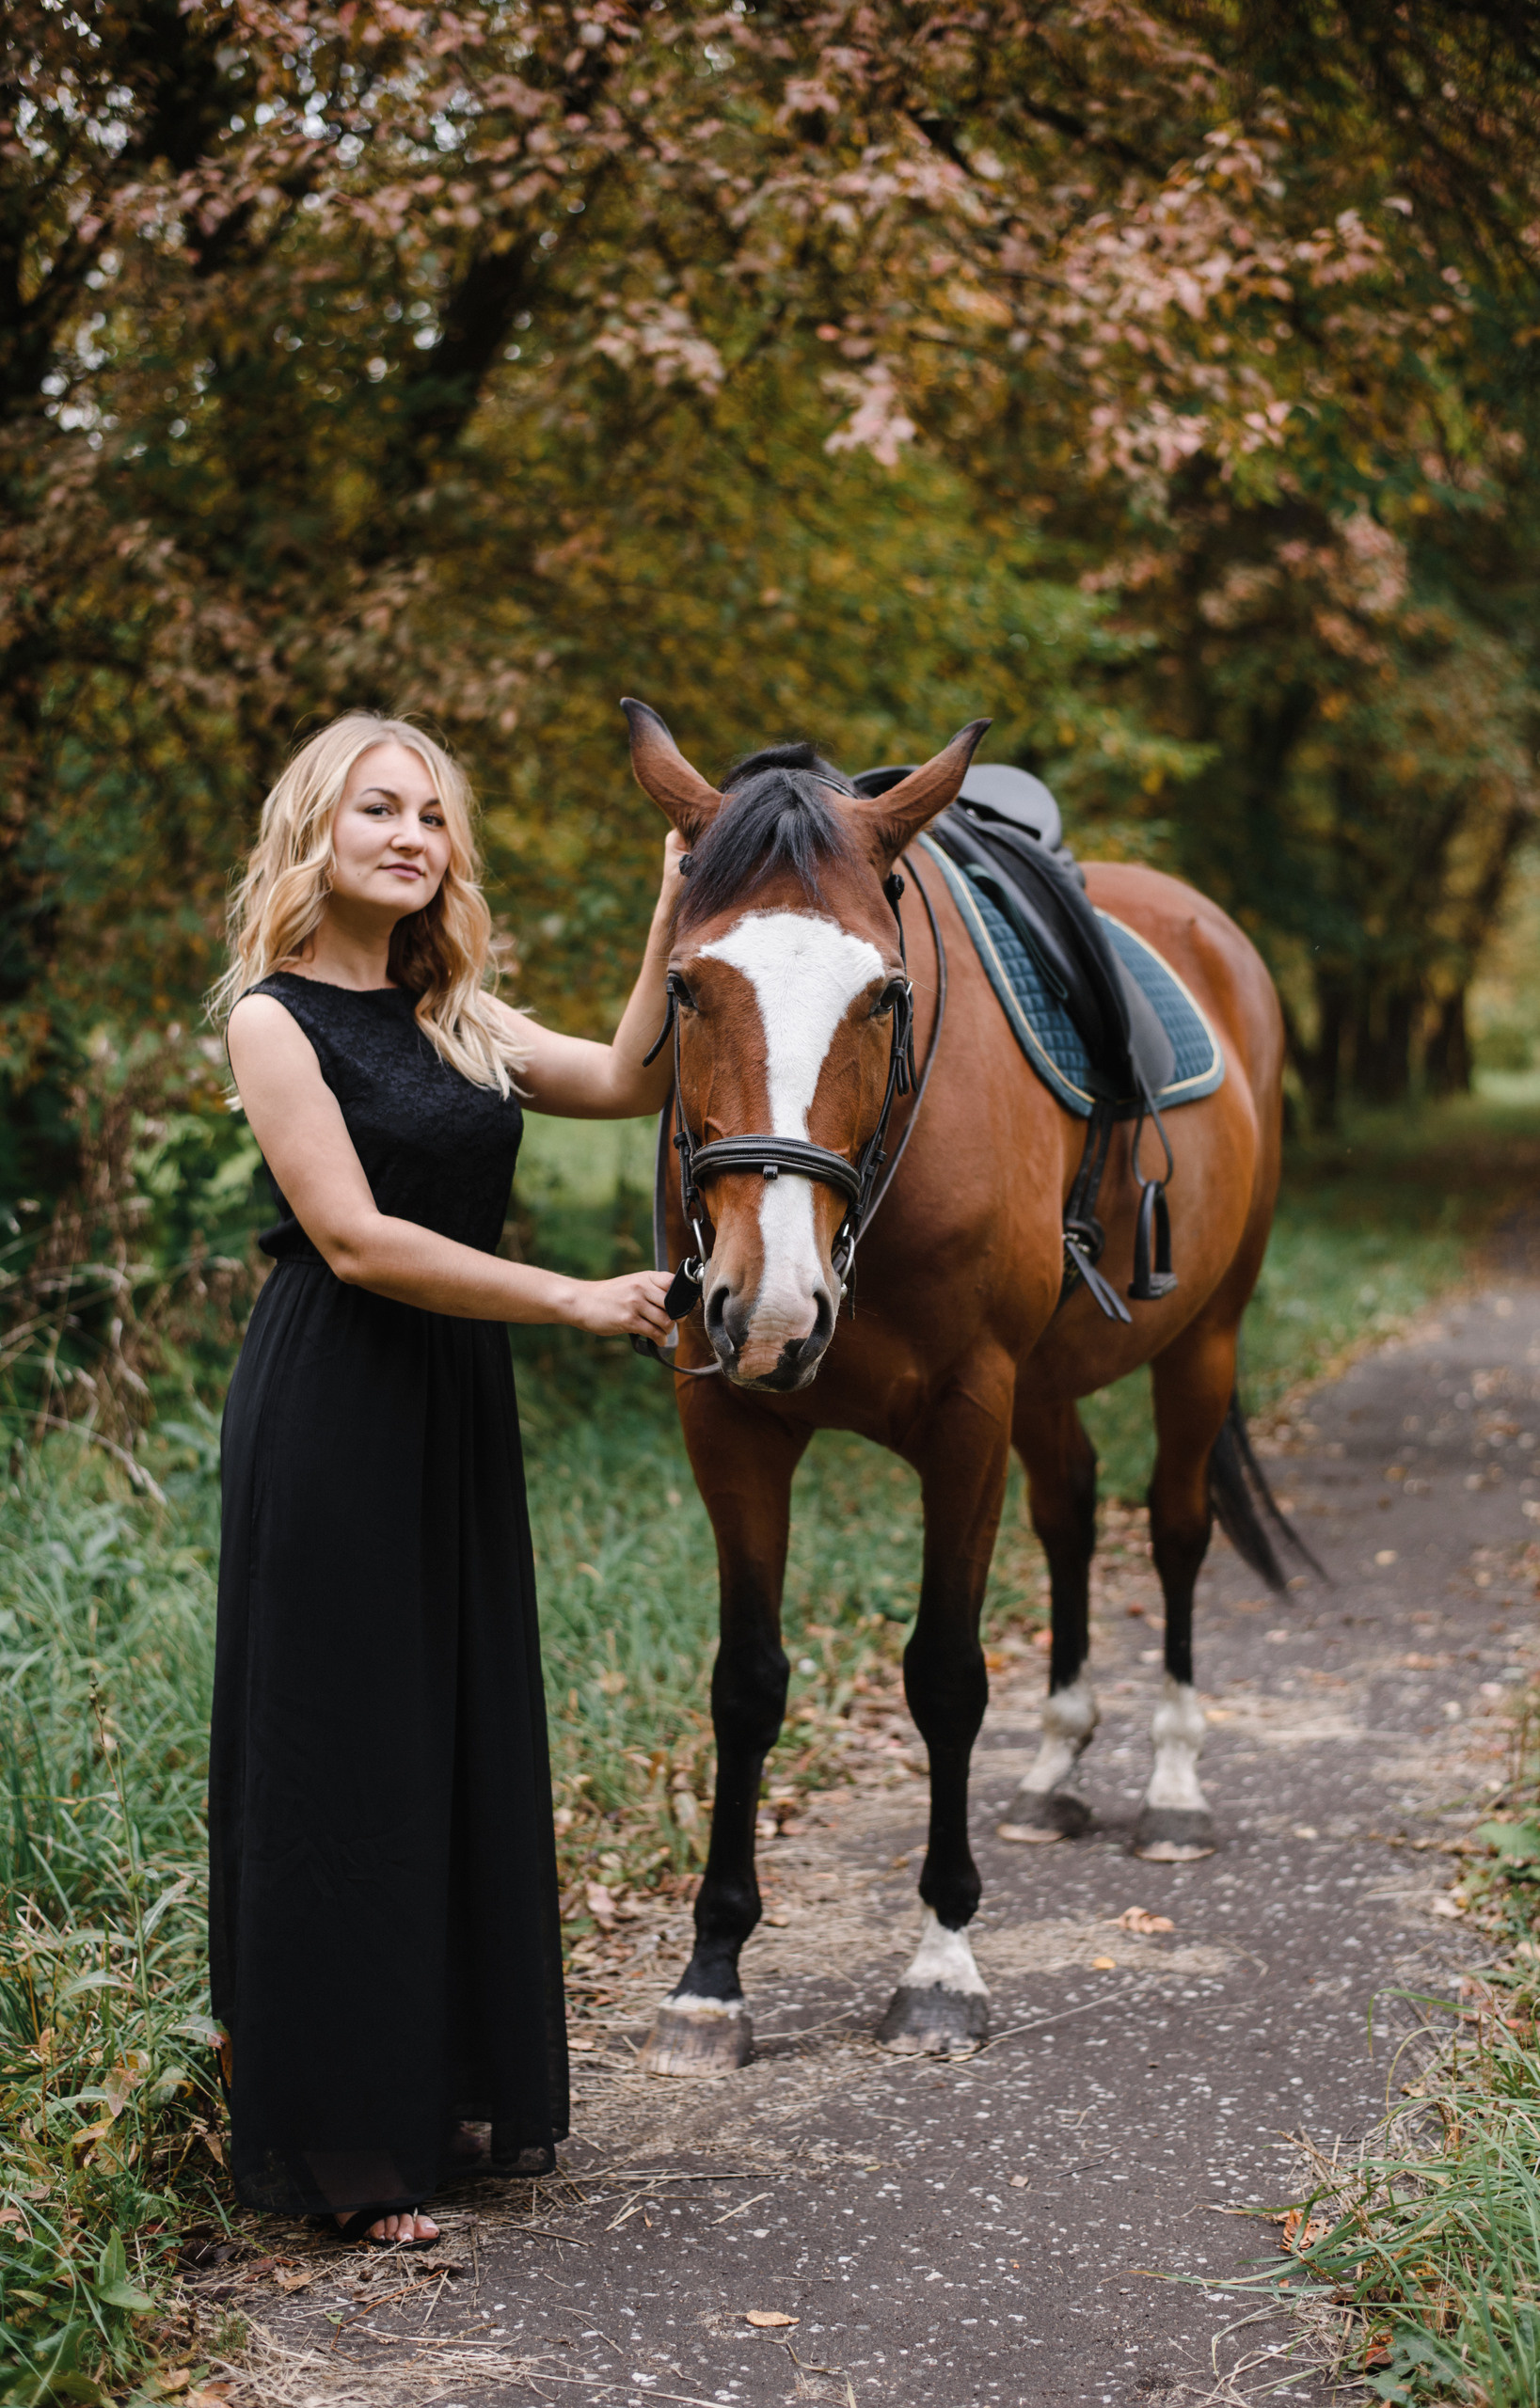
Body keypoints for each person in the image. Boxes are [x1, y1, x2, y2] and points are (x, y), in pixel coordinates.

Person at [209, 712, 679, 2243]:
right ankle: (347, 2146)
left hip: (449, 1407)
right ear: (315, 836)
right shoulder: (273, 1021)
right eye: (377, 811)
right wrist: (574, 1298)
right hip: (337, 1399)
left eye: (432, 818)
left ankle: (447, 2092)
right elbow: (352, 1239)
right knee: (342, 1754)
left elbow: (621, 1077)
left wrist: (680, 895)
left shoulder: (458, 1013)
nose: (411, 836)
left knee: (451, 1731)